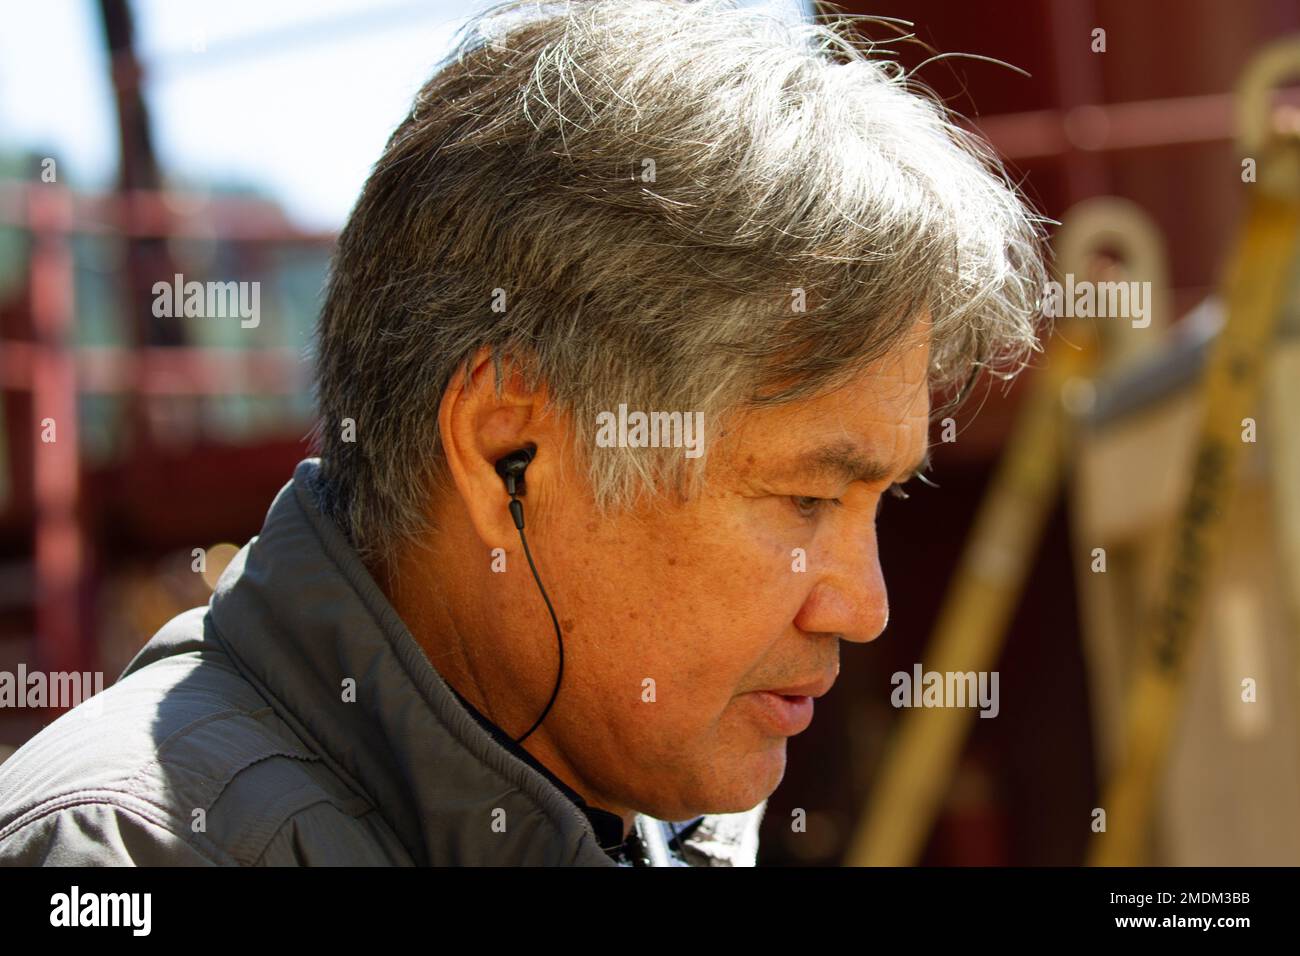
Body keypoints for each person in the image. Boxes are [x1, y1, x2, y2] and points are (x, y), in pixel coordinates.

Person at [0, 0, 1045, 866]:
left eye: (880, 499)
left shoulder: (664, 807)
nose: (864, 607)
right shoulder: (127, 853)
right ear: (507, 452)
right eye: (808, 497)